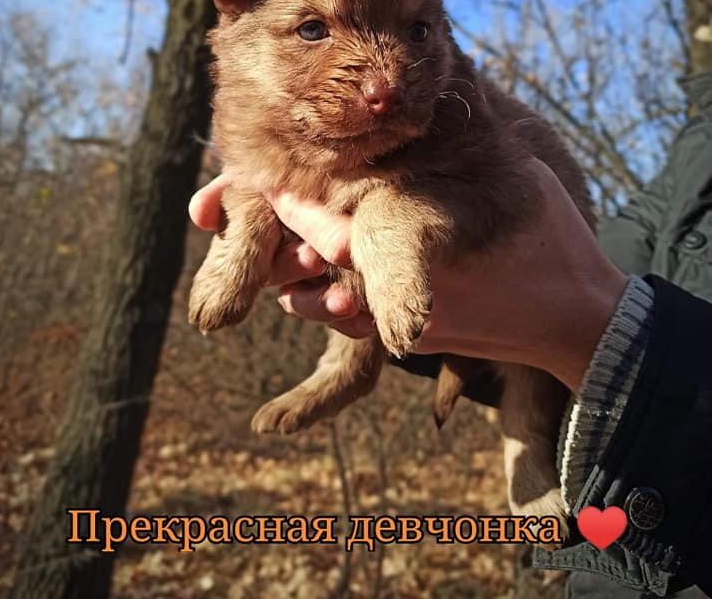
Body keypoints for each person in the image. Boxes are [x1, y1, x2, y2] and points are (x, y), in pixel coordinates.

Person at [189, 72, 712, 598]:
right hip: (615, 551)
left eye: (417, 33)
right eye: (312, 33)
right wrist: (252, 223)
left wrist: (588, 330)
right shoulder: (700, 136)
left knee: (520, 373)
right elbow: (624, 257)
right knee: (347, 264)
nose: (383, 75)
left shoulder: (456, 110)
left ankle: (524, 445)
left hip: (664, 516)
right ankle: (347, 365)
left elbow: (591, 286)